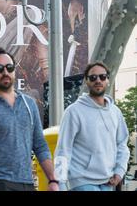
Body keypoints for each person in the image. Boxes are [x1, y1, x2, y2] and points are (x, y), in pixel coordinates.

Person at [0, 48, 58, 191]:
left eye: (9, 67)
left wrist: (53, 180)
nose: (5, 73)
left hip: (26, 182)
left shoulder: (29, 104)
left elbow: (40, 145)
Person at [54, 62, 130, 191]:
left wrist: (119, 171)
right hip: (82, 182)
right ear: (86, 81)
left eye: (102, 77)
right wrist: (60, 184)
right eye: (93, 77)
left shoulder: (115, 112)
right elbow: (63, 149)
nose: (98, 80)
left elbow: (122, 144)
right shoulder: (74, 111)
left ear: (108, 80)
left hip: (108, 182)